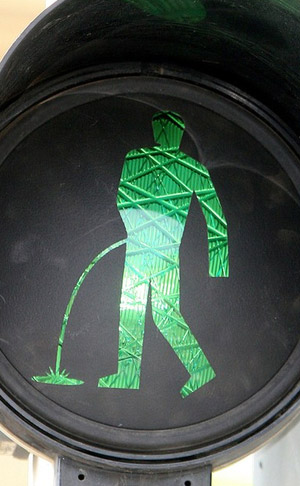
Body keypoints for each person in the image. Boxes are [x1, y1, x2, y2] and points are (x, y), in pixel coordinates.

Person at [97, 110, 229, 397]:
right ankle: (128, 373)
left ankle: (200, 368)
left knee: (164, 313)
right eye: (163, 127)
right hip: (139, 244)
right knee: (130, 308)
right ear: (156, 129)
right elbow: (123, 196)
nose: (167, 133)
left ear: (180, 132)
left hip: (166, 249)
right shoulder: (136, 158)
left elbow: (215, 216)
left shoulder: (192, 168)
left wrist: (218, 263)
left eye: (173, 129)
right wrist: (134, 229)